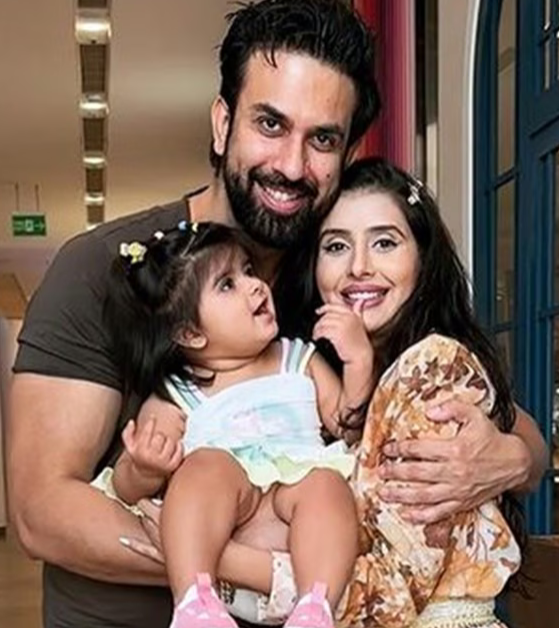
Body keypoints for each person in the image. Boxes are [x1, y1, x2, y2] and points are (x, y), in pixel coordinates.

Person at [6, 1, 547, 626]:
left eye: (323, 139)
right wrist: (235, 561)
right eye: (270, 124)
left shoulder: (337, 278)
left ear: (346, 154)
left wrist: (509, 461)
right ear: (222, 124)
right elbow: (41, 515)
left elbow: (512, 432)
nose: (292, 165)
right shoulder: (106, 272)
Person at [125, 158, 527, 627]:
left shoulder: (425, 367)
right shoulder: (288, 352)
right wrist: (146, 471)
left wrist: (211, 556)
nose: (359, 267)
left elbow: (391, 587)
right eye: (336, 246)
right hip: (248, 537)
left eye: (384, 242)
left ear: (423, 256)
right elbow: (134, 478)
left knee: (322, 486)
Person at [100, 222, 371, 628]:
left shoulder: (297, 359)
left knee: (326, 484)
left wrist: (359, 361)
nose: (255, 285)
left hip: (296, 540)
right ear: (190, 333)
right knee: (204, 466)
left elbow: (350, 429)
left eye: (248, 270)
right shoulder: (179, 394)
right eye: (228, 284)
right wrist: (144, 468)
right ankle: (194, 604)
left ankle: (315, 609)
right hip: (231, 553)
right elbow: (124, 487)